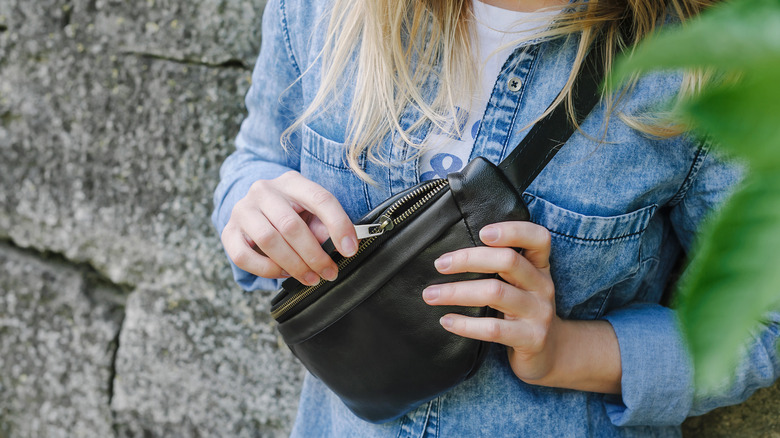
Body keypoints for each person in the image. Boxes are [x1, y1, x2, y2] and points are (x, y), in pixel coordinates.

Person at [212, 0, 780, 436]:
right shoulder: (320, 11)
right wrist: (253, 216)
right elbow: (256, 160)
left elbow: (761, 327)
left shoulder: (705, 68)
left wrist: (566, 351)